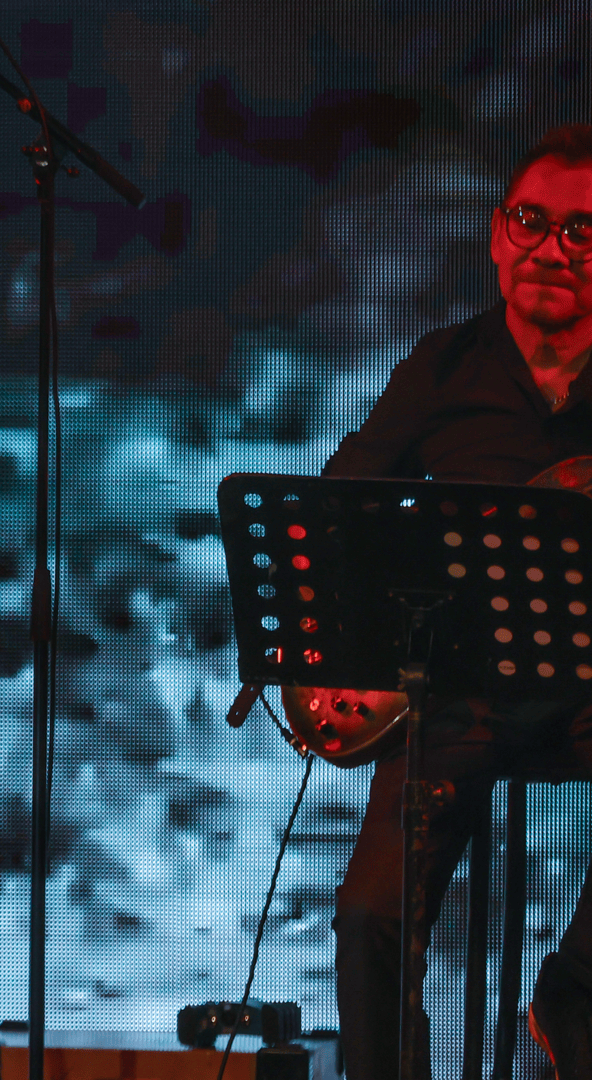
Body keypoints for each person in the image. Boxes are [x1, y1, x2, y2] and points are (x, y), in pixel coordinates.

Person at [325, 123, 592, 1078]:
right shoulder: (441, 367)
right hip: (457, 692)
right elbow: (338, 515)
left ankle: (576, 993)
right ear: (495, 234)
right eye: (531, 221)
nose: (550, 248)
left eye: (582, 232)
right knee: (369, 915)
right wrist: (347, 649)